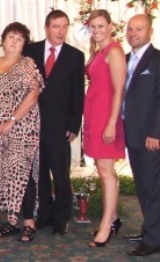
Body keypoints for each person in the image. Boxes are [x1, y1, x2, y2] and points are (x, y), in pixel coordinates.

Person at [0, 22, 43, 242]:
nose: (14, 41)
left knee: (22, 174)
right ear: (3, 39)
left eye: (19, 38)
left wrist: (11, 120)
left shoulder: (27, 65)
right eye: (11, 37)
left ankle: (29, 223)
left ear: (24, 44)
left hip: (21, 128)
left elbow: (33, 95)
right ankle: (12, 221)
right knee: (3, 174)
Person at [23, 9, 85, 235]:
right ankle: (45, 214)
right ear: (47, 28)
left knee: (60, 174)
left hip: (60, 125)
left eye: (65, 26)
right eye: (56, 26)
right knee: (39, 174)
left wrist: (74, 124)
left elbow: (78, 93)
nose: (61, 31)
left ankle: (61, 219)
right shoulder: (30, 51)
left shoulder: (75, 56)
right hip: (33, 124)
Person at [84, 9, 126, 248]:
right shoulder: (98, 51)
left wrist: (111, 122)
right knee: (104, 170)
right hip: (95, 112)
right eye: (94, 27)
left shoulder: (115, 51)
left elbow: (119, 90)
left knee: (106, 171)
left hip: (106, 116)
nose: (97, 30)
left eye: (101, 26)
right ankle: (113, 218)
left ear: (110, 26)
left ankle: (106, 227)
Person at [123, 14, 160, 256]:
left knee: (152, 188)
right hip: (131, 135)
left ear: (150, 31)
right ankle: (150, 229)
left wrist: (155, 132)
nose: (133, 33)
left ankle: (153, 240)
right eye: (130, 29)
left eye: (139, 29)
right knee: (143, 186)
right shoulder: (125, 59)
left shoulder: (157, 60)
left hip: (150, 137)